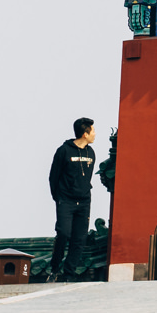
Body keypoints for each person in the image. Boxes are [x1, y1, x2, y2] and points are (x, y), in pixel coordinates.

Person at [47, 117, 97, 282]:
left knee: (79, 239)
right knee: (63, 233)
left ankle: (69, 274)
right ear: (85, 134)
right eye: (93, 131)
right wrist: (59, 198)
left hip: (84, 201)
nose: (95, 134)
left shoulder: (91, 153)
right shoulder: (64, 151)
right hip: (66, 201)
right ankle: (55, 267)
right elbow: (53, 177)